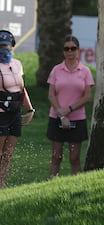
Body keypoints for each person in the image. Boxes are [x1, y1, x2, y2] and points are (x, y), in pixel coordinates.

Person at [0, 30, 34, 190]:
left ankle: (2, 186)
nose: (3, 49)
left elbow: (21, 89)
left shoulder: (17, 64)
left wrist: (29, 109)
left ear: (12, 47)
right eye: (0, 46)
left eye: (6, 46)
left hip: (15, 114)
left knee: (7, 154)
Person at [47, 35, 94, 178]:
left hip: (77, 118)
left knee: (74, 157)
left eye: (73, 48)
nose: (70, 52)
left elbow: (87, 97)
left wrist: (69, 110)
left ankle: (75, 188)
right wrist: (61, 114)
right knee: (56, 156)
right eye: (66, 49)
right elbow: (51, 95)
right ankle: (51, 186)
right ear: (63, 51)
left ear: (78, 50)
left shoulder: (85, 71)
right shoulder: (56, 70)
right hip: (57, 117)